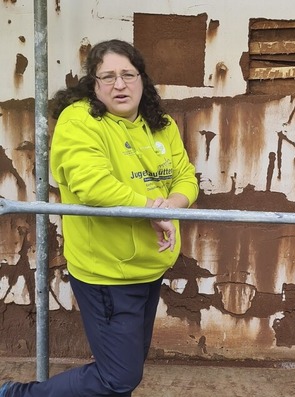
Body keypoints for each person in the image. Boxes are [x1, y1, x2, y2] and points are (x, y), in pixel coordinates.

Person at [0, 39, 199, 396]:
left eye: (127, 74)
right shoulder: (81, 120)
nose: (119, 84)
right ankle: (14, 395)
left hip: (150, 266)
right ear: (93, 84)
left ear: (142, 79)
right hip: (108, 273)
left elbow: (185, 176)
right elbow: (91, 185)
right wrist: (147, 210)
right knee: (118, 378)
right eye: (107, 76)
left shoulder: (160, 124)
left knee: (126, 371)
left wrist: (169, 205)